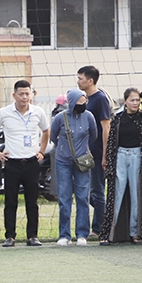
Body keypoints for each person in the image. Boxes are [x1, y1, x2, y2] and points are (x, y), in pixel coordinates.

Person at [0, 80, 50, 247]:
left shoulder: (38, 112)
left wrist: (42, 151)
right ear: (14, 95)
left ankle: (32, 236)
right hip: (12, 163)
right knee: (10, 201)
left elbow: (46, 131)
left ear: (32, 94)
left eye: (27, 94)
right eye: (21, 94)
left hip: (31, 162)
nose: (24, 97)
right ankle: (10, 236)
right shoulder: (4, 112)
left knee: (32, 201)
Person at [99, 88, 142, 245]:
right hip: (121, 156)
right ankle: (109, 234)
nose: (135, 103)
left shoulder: (141, 118)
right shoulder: (117, 118)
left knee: (136, 194)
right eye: (132, 100)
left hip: (137, 156)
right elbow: (111, 141)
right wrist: (109, 161)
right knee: (116, 194)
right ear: (125, 102)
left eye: (137, 100)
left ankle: (135, 233)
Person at [50, 88, 97, 246]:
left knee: (83, 197)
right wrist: (64, 149)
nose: (82, 105)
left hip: (82, 162)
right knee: (64, 198)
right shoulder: (60, 118)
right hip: (63, 161)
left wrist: (83, 150)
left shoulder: (89, 117)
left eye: (84, 102)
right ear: (71, 102)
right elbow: (53, 136)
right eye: (79, 102)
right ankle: (64, 235)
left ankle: (82, 234)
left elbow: (94, 135)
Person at [77, 65, 111, 241]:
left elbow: (106, 127)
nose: (78, 81)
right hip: (83, 153)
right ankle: (104, 220)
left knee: (97, 191)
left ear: (90, 81)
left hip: (97, 153)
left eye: (81, 78)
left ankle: (99, 228)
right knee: (83, 190)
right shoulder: (83, 99)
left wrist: (105, 154)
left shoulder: (100, 99)